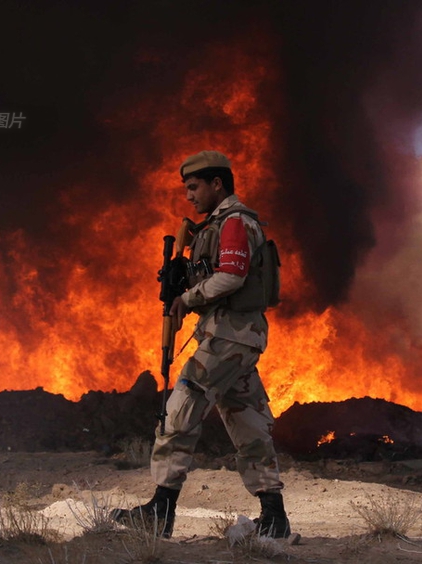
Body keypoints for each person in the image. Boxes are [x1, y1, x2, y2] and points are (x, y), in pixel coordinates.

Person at [112, 150, 290, 539]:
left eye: (194, 187)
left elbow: (232, 276)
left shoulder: (235, 222)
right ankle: (274, 516)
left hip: (228, 337)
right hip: (238, 336)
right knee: (247, 422)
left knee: (179, 412)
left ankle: (161, 510)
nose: (189, 196)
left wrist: (187, 299)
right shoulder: (217, 224)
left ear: (217, 184)